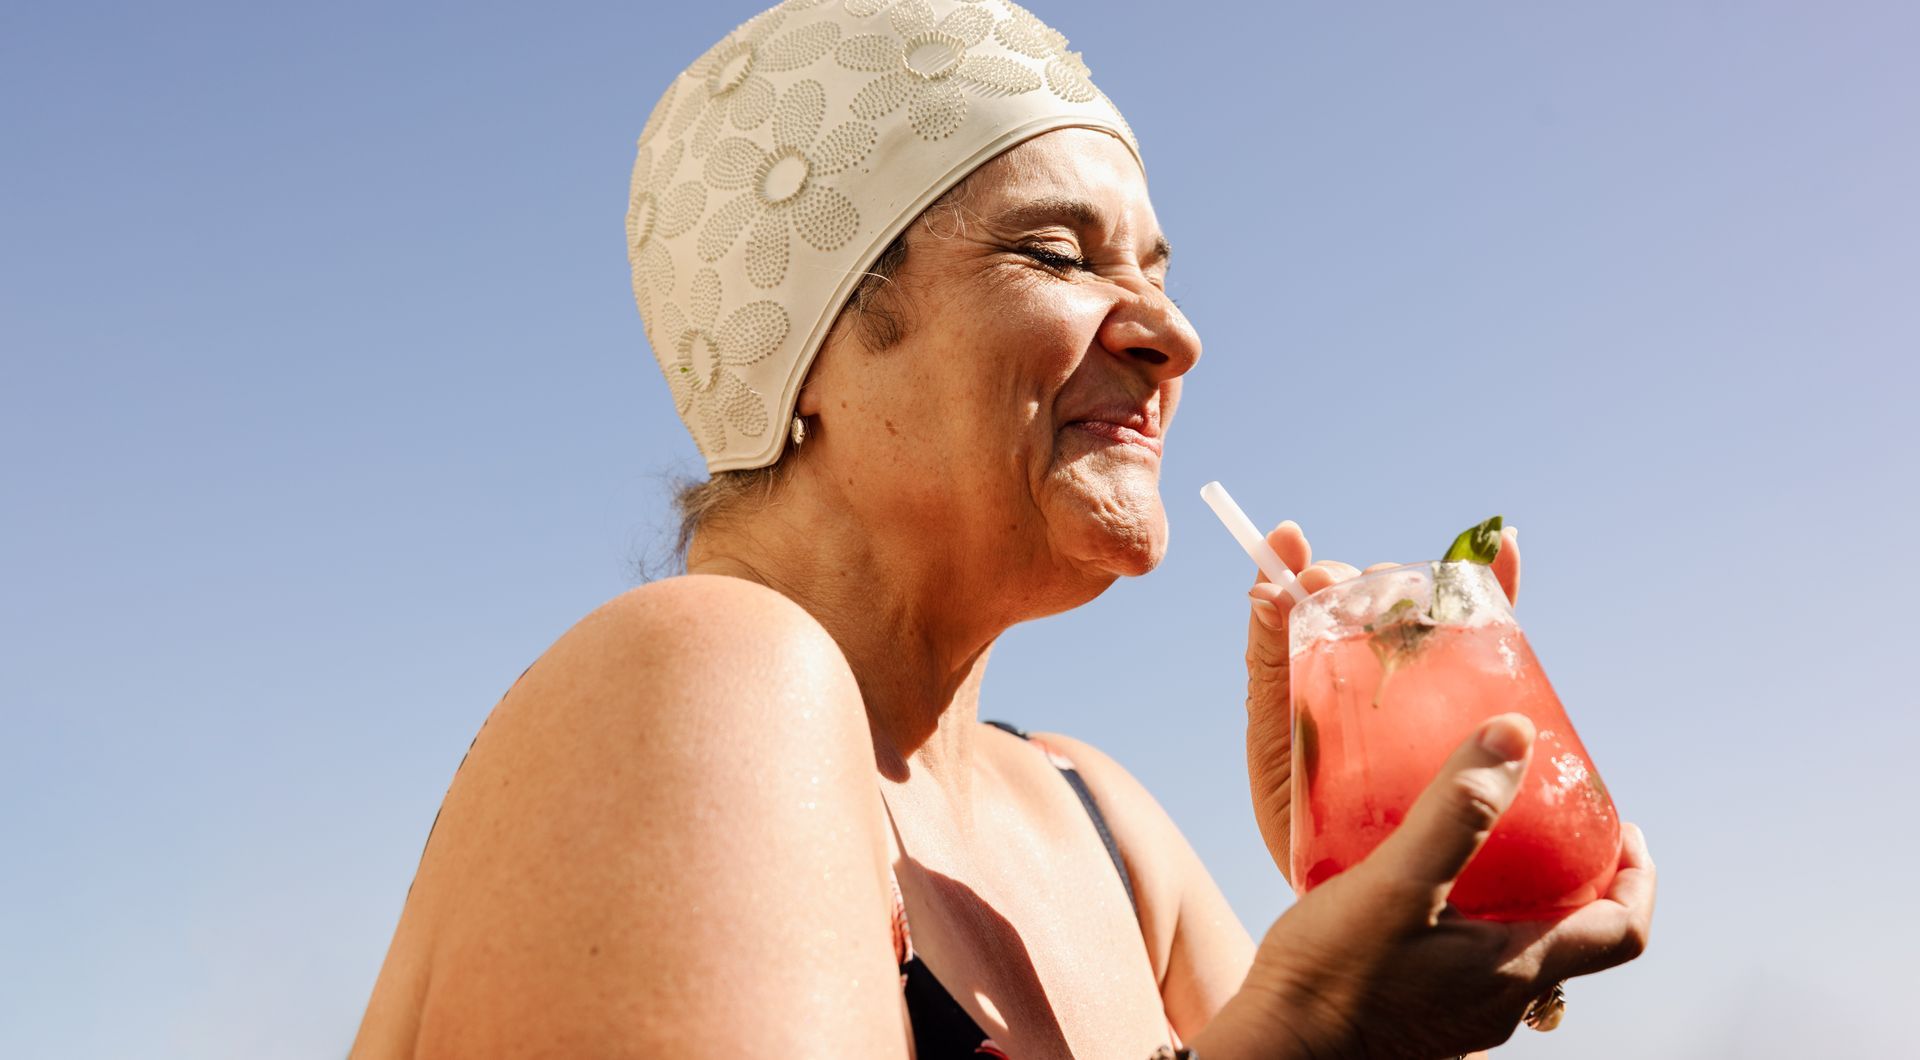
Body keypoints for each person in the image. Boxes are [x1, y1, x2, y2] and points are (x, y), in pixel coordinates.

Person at [352, 2, 1655, 1056]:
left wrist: (1403, 894)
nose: (1171, 334)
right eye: (1058, 255)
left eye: (1156, 270)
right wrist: (1302, 1037)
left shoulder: (1107, 826)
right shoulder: (691, 685)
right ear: (808, 352)